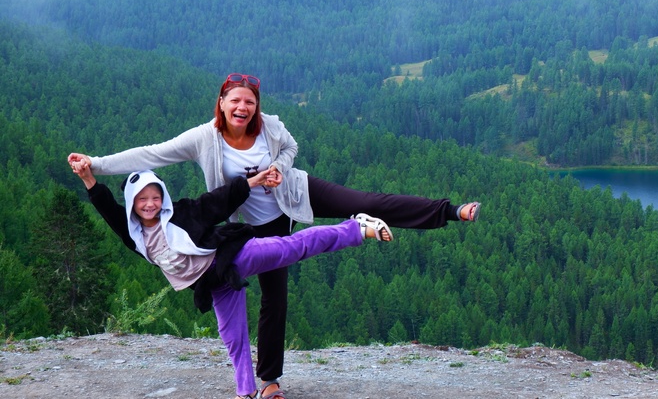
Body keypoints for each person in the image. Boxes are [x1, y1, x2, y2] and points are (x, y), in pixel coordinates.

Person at [67, 72, 480, 399]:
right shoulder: (203, 138)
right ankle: (268, 382)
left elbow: (291, 148)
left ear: (256, 107)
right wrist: (95, 166)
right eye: (235, 101)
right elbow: (151, 154)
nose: (243, 107)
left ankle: (447, 211)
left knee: (368, 200)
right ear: (222, 104)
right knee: (274, 296)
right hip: (259, 222)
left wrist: (279, 168)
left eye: (250, 102)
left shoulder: (270, 127)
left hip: (295, 192)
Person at [69, 159, 392, 399]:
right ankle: (245, 391)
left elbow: (217, 201)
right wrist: (87, 178)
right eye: (142, 199)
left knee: (292, 247)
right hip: (216, 283)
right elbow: (108, 208)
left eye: (155, 197)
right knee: (233, 337)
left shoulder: (182, 213)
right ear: (132, 204)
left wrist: (251, 182)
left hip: (233, 256)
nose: (150, 204)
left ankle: (356, 227)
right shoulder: (134, 235)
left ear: (163, 197)